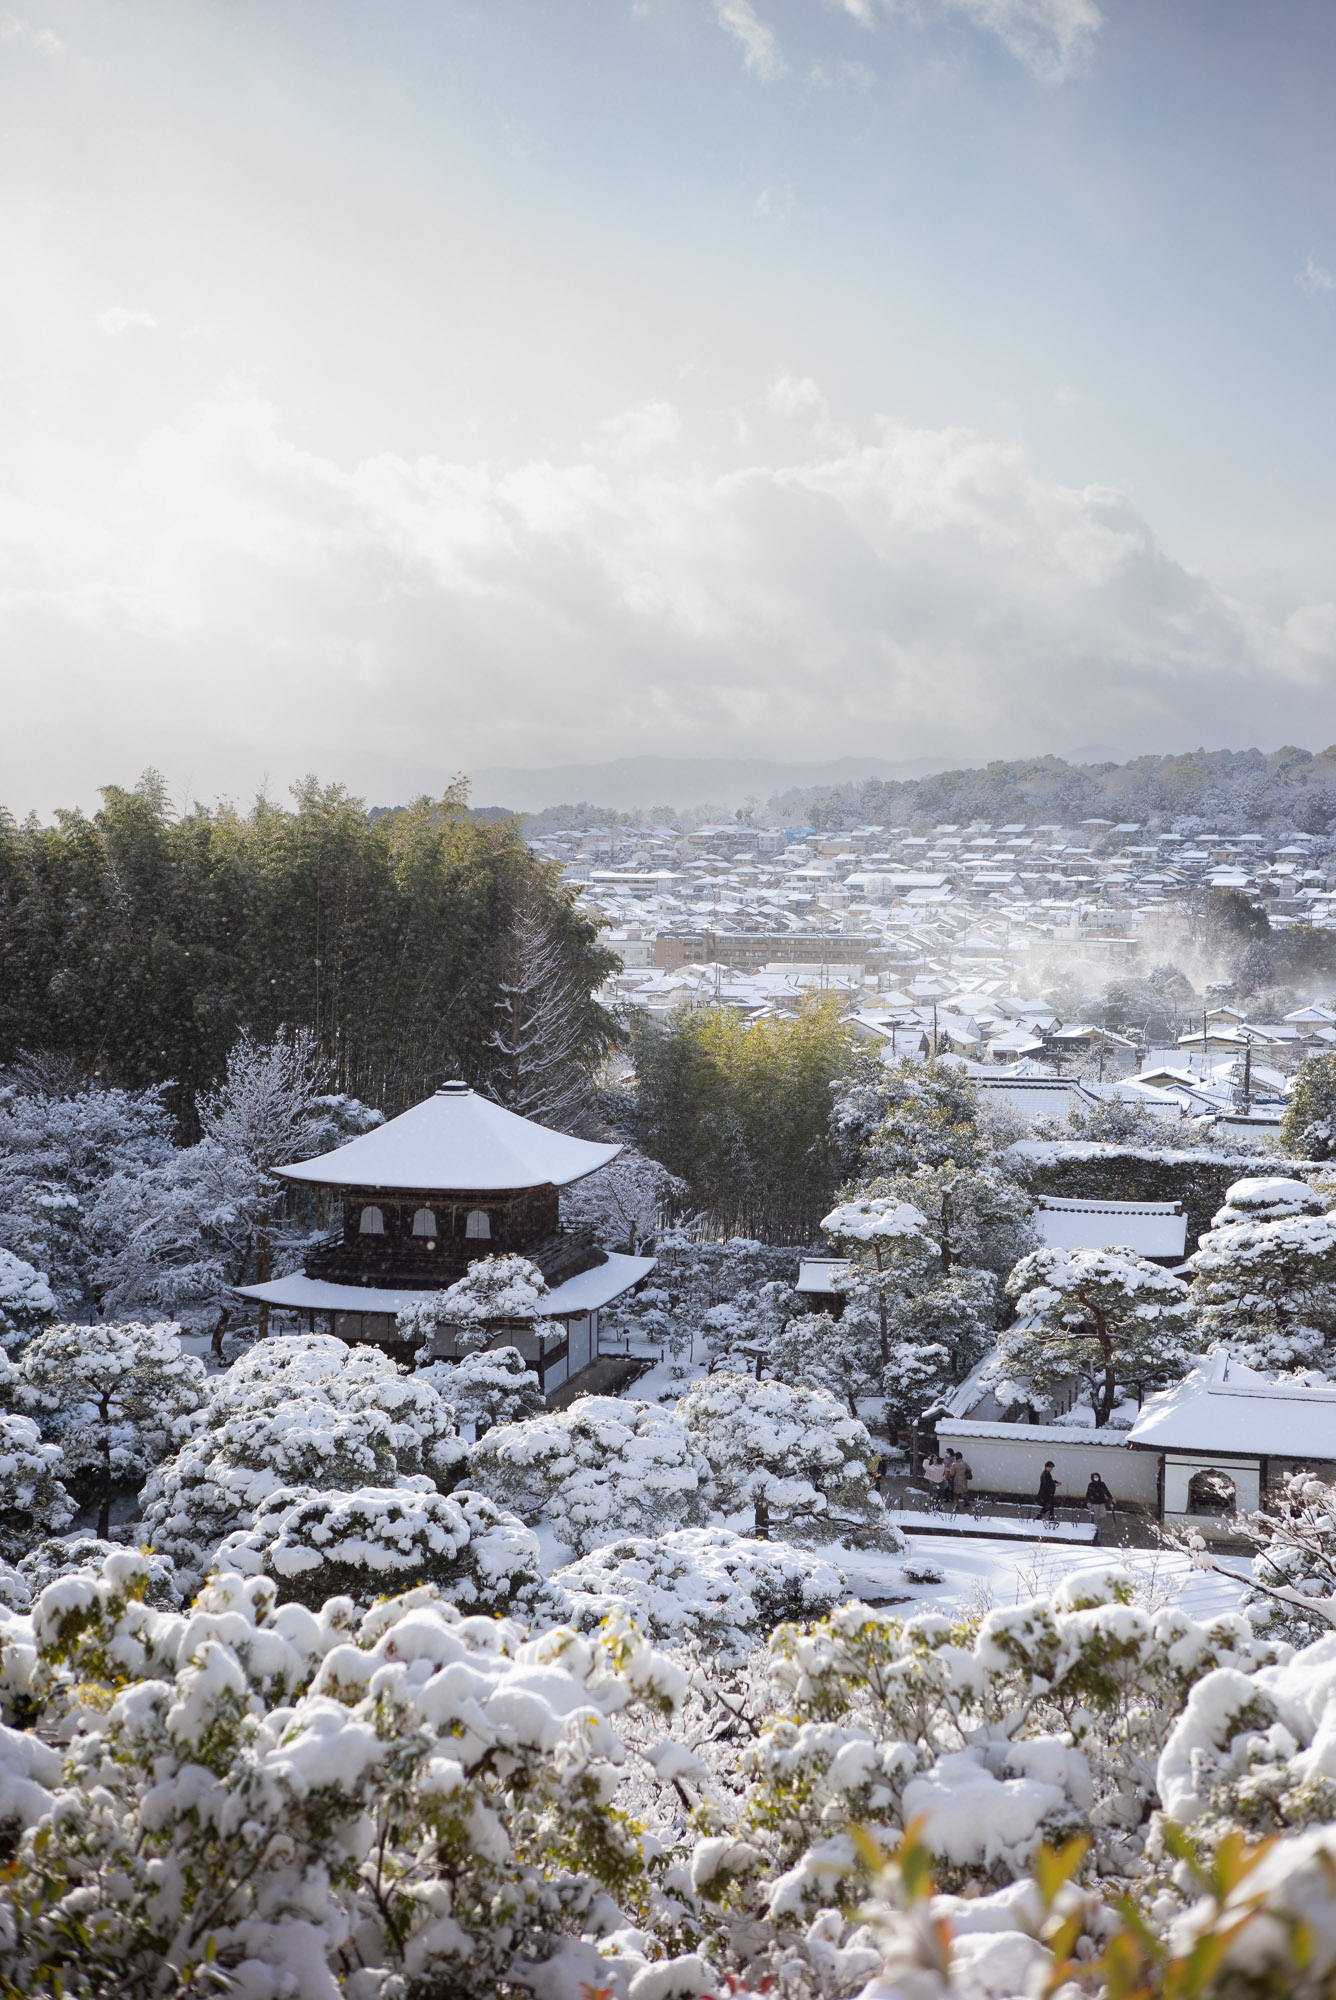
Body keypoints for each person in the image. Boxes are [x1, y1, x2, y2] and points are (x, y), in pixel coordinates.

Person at [1085, 1472, 1115, 1543]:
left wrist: (1111, 1498)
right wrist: (1088, 1502)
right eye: (1094, 1477)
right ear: (1092, 1478)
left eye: (1097, 1476)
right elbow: (1088, 1494)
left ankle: (1095, 1522)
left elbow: (1106, 1491)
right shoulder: (1091, 1485)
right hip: (1094, 1503)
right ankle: (1097, 1530)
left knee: (1103, 1514)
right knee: (1095, 1516)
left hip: (1102, 1502)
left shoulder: (1102, 1484)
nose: (1096, 1478)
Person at [1036, 1460, 1060, 1525]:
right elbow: (1046, 1484)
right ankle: (1049, 1520)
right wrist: (1054, 1484)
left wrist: (1054, 1482)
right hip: (1045, 1495)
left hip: (1046, 1495)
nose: (1051, 1469)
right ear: (1047, 1467)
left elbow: (1049, 1482)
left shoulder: (1047, 1474)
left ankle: (1039, 1519)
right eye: (1051, 1467)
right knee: (1049, 1507)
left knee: (1048, 1508)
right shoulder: (1045, 1474)